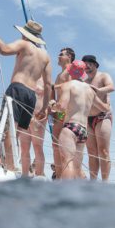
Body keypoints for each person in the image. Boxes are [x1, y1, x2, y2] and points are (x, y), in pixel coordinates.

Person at [0, 19, 51, 175]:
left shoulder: (24, 45)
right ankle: (12, 166)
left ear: (25, 34)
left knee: (8, 131)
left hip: (18, 89)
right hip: (31, 96)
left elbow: (4, 49)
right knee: (17, 134)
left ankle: (11, 167)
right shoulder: (45, 56)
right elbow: (48, 85)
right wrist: (45, 107)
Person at [52, 60, 109, 179]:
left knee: (67, 162)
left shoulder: (69, 85)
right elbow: (104, 108)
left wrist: (52, 105)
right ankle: (76, 194)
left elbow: (61, 107)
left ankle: (66, 193)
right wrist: (107, 100)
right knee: (77, 167)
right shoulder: (90, 90)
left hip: (70, 128)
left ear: (71, 72)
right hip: (83, 131)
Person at [82, 54, 115, 181]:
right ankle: (93, 183)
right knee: (91, 153)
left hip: (103, 116)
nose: (88, 66)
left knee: (103, 151)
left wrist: (96, 90)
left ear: (95, 65)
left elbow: (111, 87)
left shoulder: (103, 76)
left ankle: (105, 183)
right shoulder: (84, 82)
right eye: (85, 64)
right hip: (88, 118)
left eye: (90, 64)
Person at [50, 47, 75, 178]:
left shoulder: (72, 70)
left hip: (67, 112)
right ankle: (59, 177)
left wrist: (53, 86)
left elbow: (73, 85)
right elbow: (53, 93)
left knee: (61, 147)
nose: (58, 56)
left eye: (61, 54)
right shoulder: (59, 75)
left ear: (69, 57)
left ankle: (66, 178)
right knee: (56, 145)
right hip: (58, 112)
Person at [24, 77, 47, 177]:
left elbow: (50, 101)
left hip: (38, 117)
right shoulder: (26, 77)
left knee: (37, 147)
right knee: (24, 148)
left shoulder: (46, 80)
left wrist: (43, 116)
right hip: (24, 115)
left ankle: (39, 175)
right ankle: (24, 175)